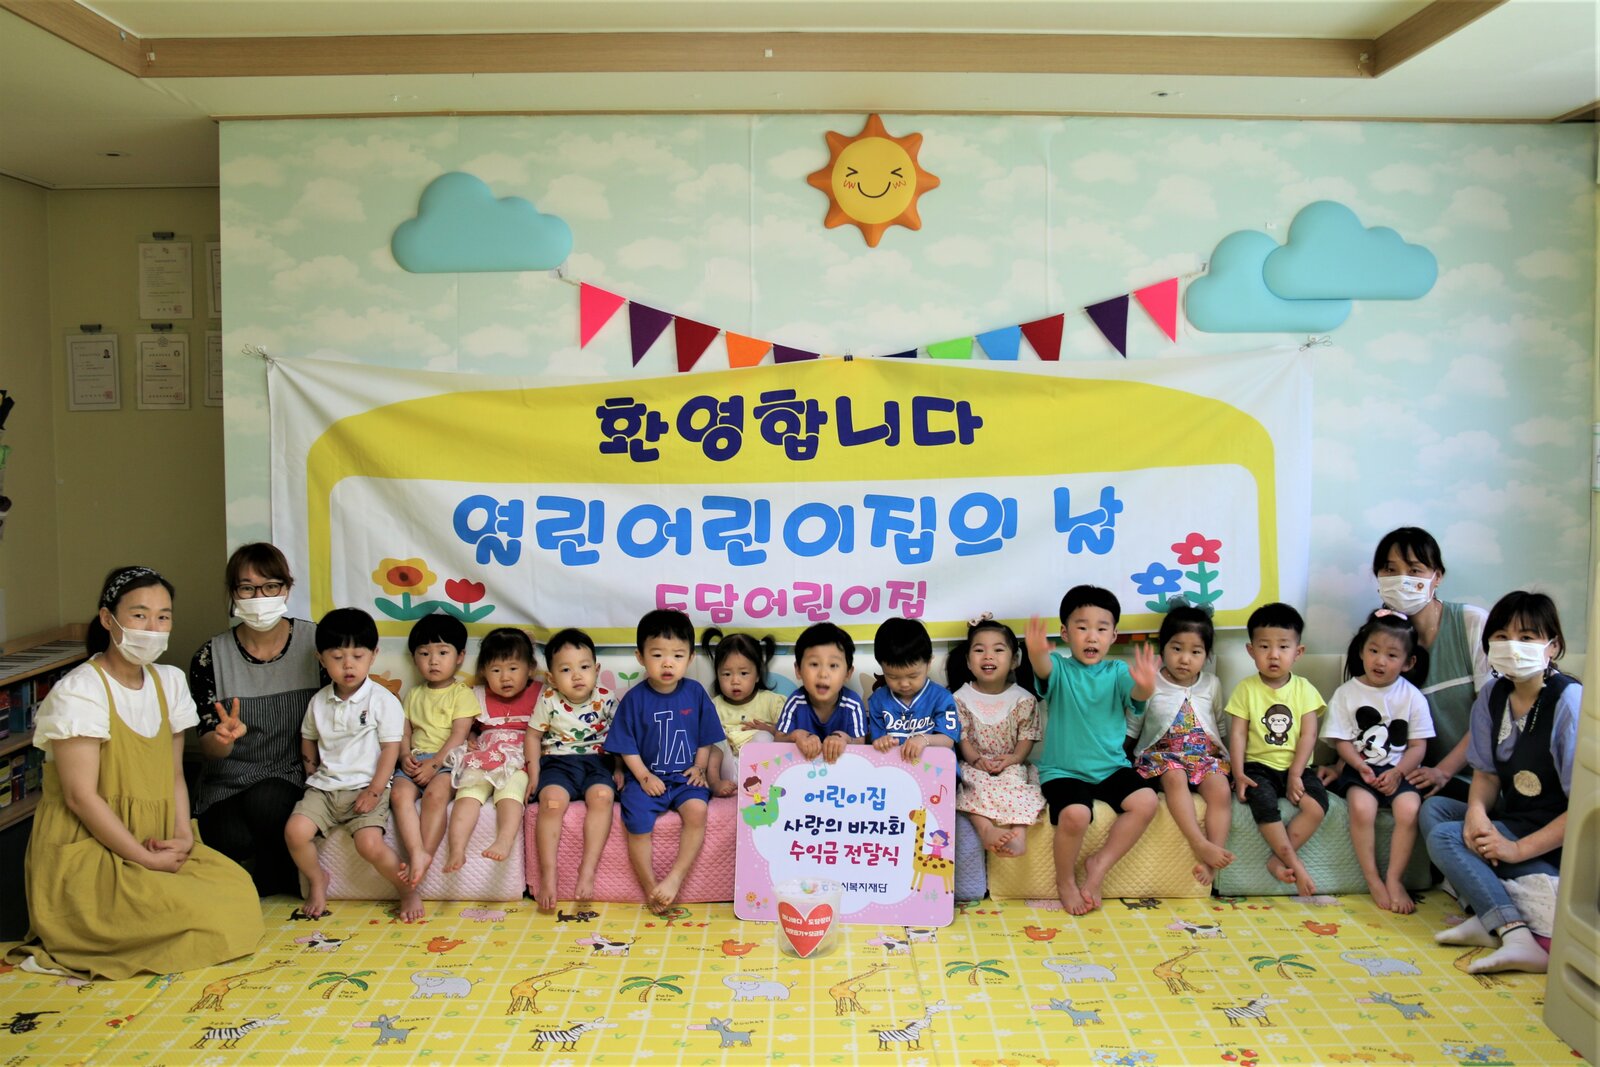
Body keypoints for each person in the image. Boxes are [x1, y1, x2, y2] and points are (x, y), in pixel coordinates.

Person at [6, 566, 263, 979]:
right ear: (108, 619)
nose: (153, 627)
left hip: (156, 835)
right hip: (95, 845)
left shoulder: (169, 682)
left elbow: (173, 775)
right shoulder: (80, 691)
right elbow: (79, 797)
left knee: (236, 895)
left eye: (163, 616)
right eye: (140, 615)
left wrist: (182, 836)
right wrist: (142, 857)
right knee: (182, 915)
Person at [1422, 591, 1581, 974]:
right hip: (1515, 814)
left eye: (1526, 638)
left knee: (1446, 838)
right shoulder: (1494, 695)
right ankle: (1486, 911)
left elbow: (1582, 808)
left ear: (1552, 646)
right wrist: (1476, 813)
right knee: (1435, 809)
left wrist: (1516, 849)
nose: (1512, 646)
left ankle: (1514, 933)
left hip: (1557, 832)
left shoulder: (1568, 701)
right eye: (1502, 637)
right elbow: (1486, 773)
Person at [188, 542, 324, 896]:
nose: (259, 597)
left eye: (270, 586)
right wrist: (221, 739)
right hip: (227, 781)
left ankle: (277, 874)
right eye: (247, 588)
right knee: (230, 839)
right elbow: (207, 745)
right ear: (233, 593)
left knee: (267, 800)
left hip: (289, 773)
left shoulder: (316, 644)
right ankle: (273, 873)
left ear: (287, 589)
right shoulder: (208, 657)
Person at [1024, 585, 1159, 916]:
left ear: (1113, 636)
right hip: (1063, 770)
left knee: (1146, 801)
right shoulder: (1060, 668)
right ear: (1065, 633)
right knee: (1076, 815)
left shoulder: (1117, 672)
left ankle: (1099, 864)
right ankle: (1065, 880)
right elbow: (1043, 668)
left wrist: (1146, 684)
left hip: (1111, 767)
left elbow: (1137, 695)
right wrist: (1035, 652)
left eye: (1101, 629)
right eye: (1082, 627)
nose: (1091, 636)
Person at [284, 608, 412, 919]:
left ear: (374, 655)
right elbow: (308, 738)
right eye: (338, 657)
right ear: (321, 659)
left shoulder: (382, 700)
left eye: (357, 656)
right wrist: (311, 772)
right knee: (295, 832)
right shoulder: (319, 701)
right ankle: (318, 880)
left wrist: (375, 790)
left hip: (366, 786)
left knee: (369, 845)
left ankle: (407, 890)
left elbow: (390, 749)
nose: (348, 665)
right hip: (325, 788)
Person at [605, 609, 725, 911]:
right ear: (640, 657)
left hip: (684, 777)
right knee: (636, 822)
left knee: (697, 810)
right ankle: (650, 887)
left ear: (690, 658)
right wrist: (644, 777)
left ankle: (674, 878)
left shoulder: (695, 693)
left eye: (677, 655)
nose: (668, 663)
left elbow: (706, 737)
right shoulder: (634, 699)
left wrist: (699, 767)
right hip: (647, 777)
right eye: (657, 655)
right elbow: (626, 747)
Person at [1321, 610, 1434, 914]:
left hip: (1400, 770)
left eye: (1391, 655)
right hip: (1359, 769)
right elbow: (1342, 741)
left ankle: (1394, 879)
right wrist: (1358, 765)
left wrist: (1398, 773)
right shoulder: (1346, 693)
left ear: (1408, 662)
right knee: (1362, 808)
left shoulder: (1412, 697)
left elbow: (1418, 746)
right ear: (1362, 651)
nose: (1380, 661)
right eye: (1373, 651)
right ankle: (1373, 878)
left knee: (1409, 809)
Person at [1372, 527, 1490, 802]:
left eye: (1414, 570)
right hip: (1415, 778)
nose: (1402, 579)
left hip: (1480, 777)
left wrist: (1443, 771)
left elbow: (1491, 714)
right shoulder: (1376, 639)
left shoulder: (1471, 623)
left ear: (1437, 577)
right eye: (1390, 569)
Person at [1226, 602, 1329, 898]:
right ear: (1251, 650)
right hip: (1258, 766)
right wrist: (1239, 773)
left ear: (1298, 652)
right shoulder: (1245, 689)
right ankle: (1294, 863)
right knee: (1263, 801)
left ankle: (1278, 859)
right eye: (1264, 646)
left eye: (1283, 646)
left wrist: (1296, 774)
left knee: (1317, 805)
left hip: (1297, 767)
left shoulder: (1305, 689)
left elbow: (1309, 734)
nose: (1273, 654)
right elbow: (1237, 734)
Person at [1129, 599, 1234, 885]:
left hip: (1204, 757)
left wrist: (1232, 763)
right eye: (1177, 649)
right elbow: (1133, 724)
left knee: (1220, 790)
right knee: (1175, 778)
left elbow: (1219, 725)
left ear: (1207, 655)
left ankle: (1212, 858)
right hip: (1163, 756)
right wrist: (1124, 758)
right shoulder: (1151, 682)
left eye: (1195, 651)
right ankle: (1199, 842)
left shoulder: (1211, 684)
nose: (1185, 659)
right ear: (1162, 648)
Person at [526, 627, 618, 910]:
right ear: (552, 678)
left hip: (598, 761)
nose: (577, 675)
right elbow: (533, 736)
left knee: (603, 797)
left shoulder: (606, 698)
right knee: (551, 803)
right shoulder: (548, 699)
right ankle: (548, 874)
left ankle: (587, 869)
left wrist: (620, 770)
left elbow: (622, 738)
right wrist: (534, 772)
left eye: (584, 667)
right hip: (558, 763)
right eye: (566, 670)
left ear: (596, 669)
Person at [442, 627, 541, 872]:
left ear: (530, 668)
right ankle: (457, 848)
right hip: (484, 756)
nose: (505, 677)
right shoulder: (476, 695)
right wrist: (472, 738)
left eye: (513, 669)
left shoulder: (541, 694)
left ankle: (504, 840)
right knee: (467, 794)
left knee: (510, 793)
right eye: (496, 670)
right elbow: (470, 727)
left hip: (518, 760)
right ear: (484, 672)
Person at [391, 613, 477, 889]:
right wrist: (404, 756)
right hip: (416, 758)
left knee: (435, 796)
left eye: (442, 652)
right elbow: (404, 731)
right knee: (398, 795)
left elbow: (459, 734)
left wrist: (436, 763)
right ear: (414, 658)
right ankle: (415, 850)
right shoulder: (413, 694)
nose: (433, 661)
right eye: (424, 653)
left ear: (460, 656)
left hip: (448, 761)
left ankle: (425, 853)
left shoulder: (461, 693)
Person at [947, 614, 1044, 856]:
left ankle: (1018, 834)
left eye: (998, 650)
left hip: (1010, 761)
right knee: (971, 785)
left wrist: (1014, 759)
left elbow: (1027, 736)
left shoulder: (1023, 698)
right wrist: (975, 760)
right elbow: (962, 736)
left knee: (1017, 783)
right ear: (968, 661)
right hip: (975, 763)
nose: (988, 656)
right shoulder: (959, 698)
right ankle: (986, 830)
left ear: (1014, 660)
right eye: (979, 650)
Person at [700, 628, 782, 796]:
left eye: (744, 673)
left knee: (764, 737)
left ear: (757, 675)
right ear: (717, 675)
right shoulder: (713, 706)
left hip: (760, 773)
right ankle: (714, 783)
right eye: (726, 674)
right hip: (728, 771)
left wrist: (769, 729)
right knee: (715, 737)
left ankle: (758, 784)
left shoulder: (772, 702)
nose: (735, 681)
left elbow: (789, 734)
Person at [867, 617, 960, 762]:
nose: (904, 684)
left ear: (929, 663)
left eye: (913, 676)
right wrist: (881, 742)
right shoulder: (877, 700)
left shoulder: (942, 697)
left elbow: (948, 740)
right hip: (895, 768)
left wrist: (924, 739)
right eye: (892, 677)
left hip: (936, 768)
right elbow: (876, 740)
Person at [775, 622, 869, 764]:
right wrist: (795, 736)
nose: (823, 674)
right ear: (798, 670)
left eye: (833, 665)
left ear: (848, 673)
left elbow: (861, 745)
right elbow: (777, 739)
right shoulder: (796, 701)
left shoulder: (852, 704)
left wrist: (845, 739)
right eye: (814, 664)